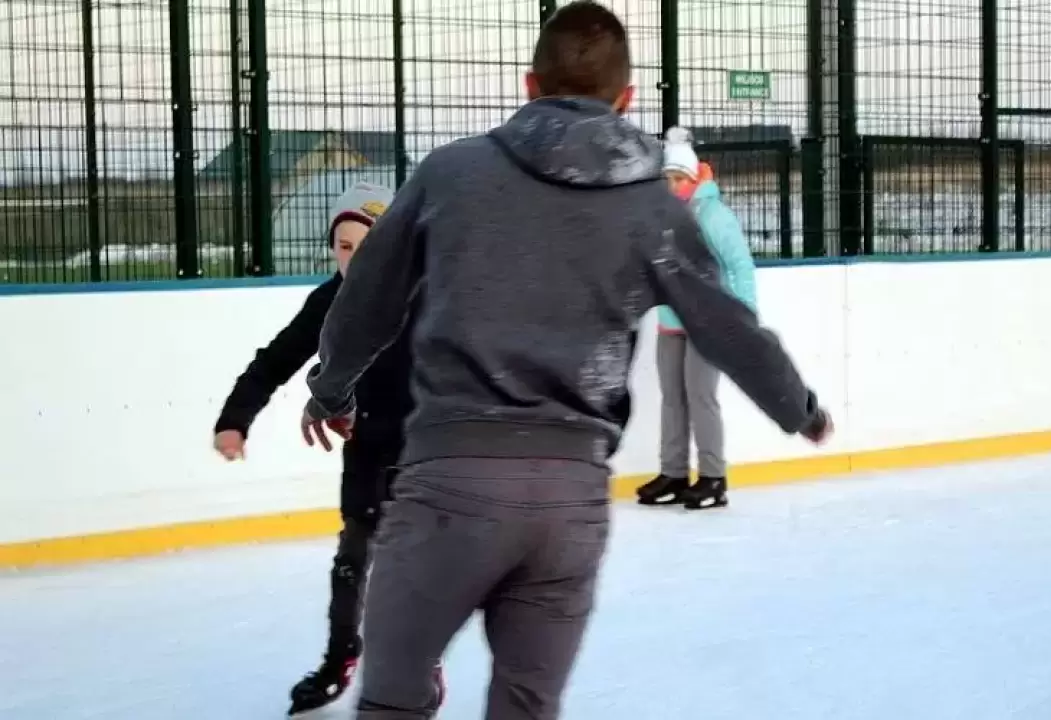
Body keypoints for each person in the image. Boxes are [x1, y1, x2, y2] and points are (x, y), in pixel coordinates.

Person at [300, 3, 833, 719]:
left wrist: (331, 390)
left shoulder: (451, 173)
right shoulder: (652, 206)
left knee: (393, 701)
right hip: (567, 504)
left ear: (530, 85)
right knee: (527, 706)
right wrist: (799, 408)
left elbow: (366, 299)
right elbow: (725, 324)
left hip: (449, 485)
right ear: (627, 99)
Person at [210, 182, 441, 717]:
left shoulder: (427, 295)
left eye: (367, 245)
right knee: (352, 561)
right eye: (343, 246)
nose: (354, 258)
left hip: (424, 450)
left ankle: (420, 663)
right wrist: (234, 422)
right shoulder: (329, 301)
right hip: (365, 449)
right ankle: (341, 659)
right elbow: (273, 362)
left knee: (414, 569)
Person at [636, 126, 761, 511]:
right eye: (668, 179)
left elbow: (740, 265)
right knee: (672, 400)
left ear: (693, 178)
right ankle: (673, 474)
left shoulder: (713, 216)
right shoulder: (662, 216)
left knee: (701, 397)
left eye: (679, 179)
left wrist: (743, 316)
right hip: (671, 321)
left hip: (708, 325)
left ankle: (713, 477)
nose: (673, 186)